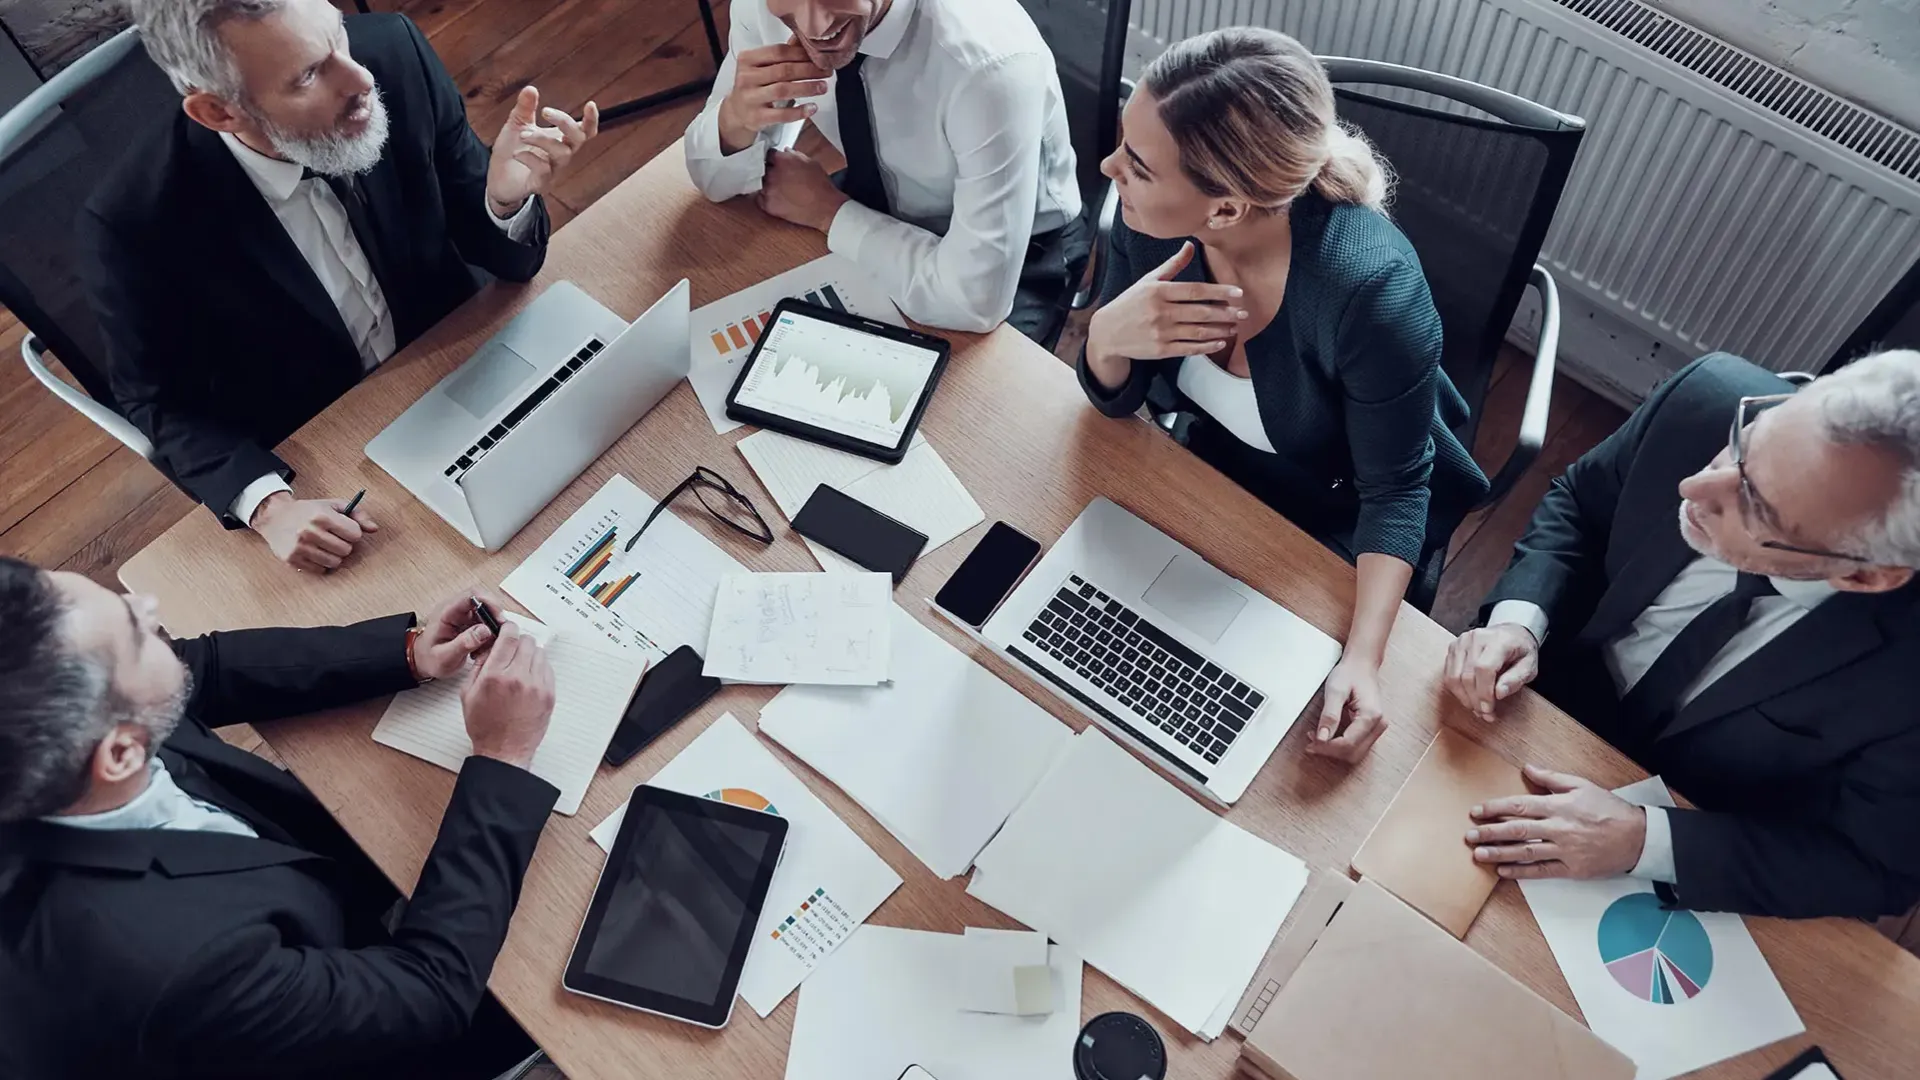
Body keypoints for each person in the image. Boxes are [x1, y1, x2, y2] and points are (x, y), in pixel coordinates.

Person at [1079, 27, 1489, 764]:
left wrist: (1363, 660)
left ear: (1227, 210)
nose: (1109, 168)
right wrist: (1108, 336)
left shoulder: (1371, 291)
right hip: (1210, 479)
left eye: (1136, 165)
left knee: (1245, 740)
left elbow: (1397, 491)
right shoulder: (1155, 221)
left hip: (1334, 525)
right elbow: (1114, 400)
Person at [81, 0, 599, 573]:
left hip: (462, 362)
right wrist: (270, 509)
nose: (360, 79)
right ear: (218, 112)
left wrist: (503, 201)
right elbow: (158, 402)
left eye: (338, 37)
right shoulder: (135, 223)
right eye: (307, 74)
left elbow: (500, 255)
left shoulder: (393, 55)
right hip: (332, 453)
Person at [0, 556, 559, 1078]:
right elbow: (426, 997)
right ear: (120, 754)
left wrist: (408, 652)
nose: (147, 605)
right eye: (135, 632)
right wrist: (502, 757)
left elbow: (203, 669)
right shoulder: (179, 966)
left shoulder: (64, 735)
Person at [1442, 350, 1920, 920]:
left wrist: (1647, 842)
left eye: (1758, 508)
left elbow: (1873, 867)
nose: (1696, 486)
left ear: (1862, 575)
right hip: (1535, 706)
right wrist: (1520, 619)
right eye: (1749, 439)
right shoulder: (1707, 399)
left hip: (1699, 825)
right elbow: (1582, 505)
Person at [685, 0, 1086, 342]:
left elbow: (974, 301)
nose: (814, 26)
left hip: (1022, 251)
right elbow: (715, 182)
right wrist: (736, 118)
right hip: (873, 199)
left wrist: (828, 212)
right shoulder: (764, 8)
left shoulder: (990, 65)